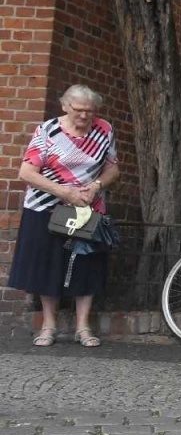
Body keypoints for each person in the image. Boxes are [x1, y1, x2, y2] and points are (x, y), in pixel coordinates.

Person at [9, 85, 120, 348]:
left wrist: (96, 186)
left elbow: (113, 169)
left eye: (90, 111)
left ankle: (83, 327)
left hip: (87, 208)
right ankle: (49, 326)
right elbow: (27, 172)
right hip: (46, 207)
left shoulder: (104, 130)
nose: (84, 115)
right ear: (65, 106)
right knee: (48, 265)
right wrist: (64, 192)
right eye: (79, 110)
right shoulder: (48, 131)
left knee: (87, 265)